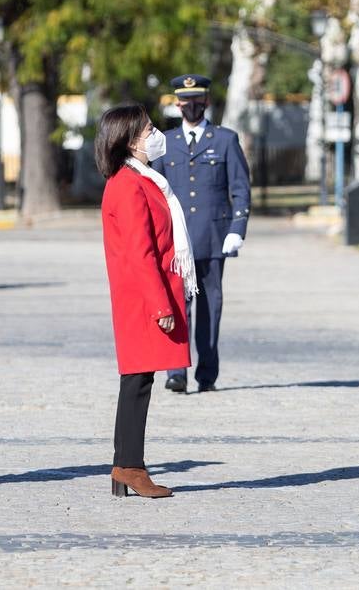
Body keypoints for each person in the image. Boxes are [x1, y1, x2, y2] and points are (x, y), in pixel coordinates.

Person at [96, 104, 195, 498]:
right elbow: (141, 252)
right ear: (132, 139)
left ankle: (126, 465)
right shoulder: (129, 184)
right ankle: (129, 466)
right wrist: (160, 306)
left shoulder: (139, 179)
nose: (157, 135)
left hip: (141, 293)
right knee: (137, 381)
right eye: (150, 129)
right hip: (142, 297)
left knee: (137, 380)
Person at [152, 74, 251, 393]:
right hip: (177, 241)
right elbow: (157, 192)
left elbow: (240, 187)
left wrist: (237, 228)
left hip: (213, 236)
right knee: (177, 305)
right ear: (176, 103)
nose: (190, 106)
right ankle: (176, 371)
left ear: (206, 102)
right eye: (184, 101)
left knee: (210, 307)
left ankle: (207, 374)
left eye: (197, 101)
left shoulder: (225, 140)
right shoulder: (166, 143)